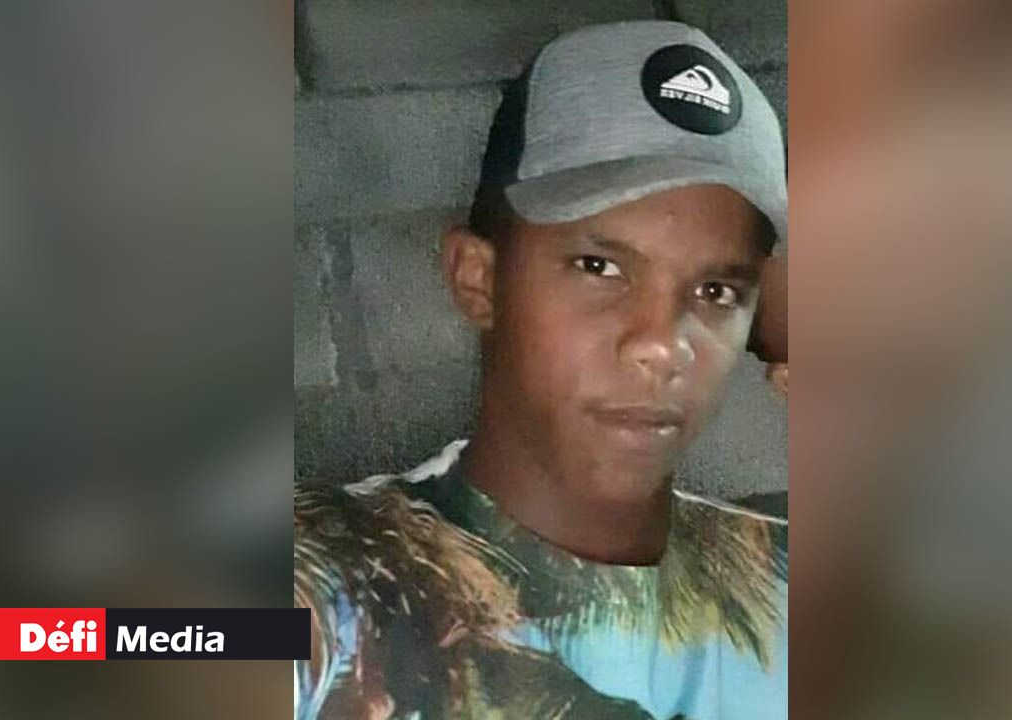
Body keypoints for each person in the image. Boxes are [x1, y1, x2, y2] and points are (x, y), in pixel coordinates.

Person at [295, 20, 787, 720]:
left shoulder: (797, 588)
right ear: (477, 278)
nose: (662, 344)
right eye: (599, 266)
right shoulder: (350, 580)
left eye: (716, 290)